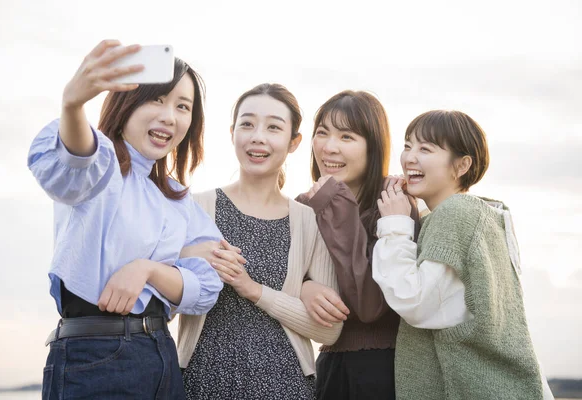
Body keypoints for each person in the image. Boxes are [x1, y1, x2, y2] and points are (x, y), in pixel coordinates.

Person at [27, 40, 223, 399]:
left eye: (183, 106)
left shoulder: (176, 196)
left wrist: (147, 270)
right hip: (96, 355)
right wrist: (73, 104)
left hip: (161, 355)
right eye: (157, 99)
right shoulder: (101, 166)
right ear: (125, 102)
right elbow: (74, 159)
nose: (170, 116)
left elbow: (207, 285)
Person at [176, 83, 343, 400]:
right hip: (201, 383)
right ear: (232, 132)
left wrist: (253, 289)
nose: (258, 137)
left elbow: (329, 330)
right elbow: (165, 306)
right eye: (247, 124)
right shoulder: (194, 208)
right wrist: (191, 263)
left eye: (274, 128)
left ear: (294, 142)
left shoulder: (308, 221)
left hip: (288, 386)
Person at [372, 110, 551, 399]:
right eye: (407, 146)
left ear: (463, 164)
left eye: (425, 149)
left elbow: (414, 299)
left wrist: (395, 226)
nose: (409, 158)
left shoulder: (456, 213)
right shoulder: (485, 214)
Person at [297, 90, 415, 399]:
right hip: (325, 367)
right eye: (322, 133)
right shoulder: (304, 208)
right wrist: (302, 286)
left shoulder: (393, 204)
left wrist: (338, 204)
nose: (329, 147)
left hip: (382, 369)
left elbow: (369, 305)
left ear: (372, 147)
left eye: (346, 137)